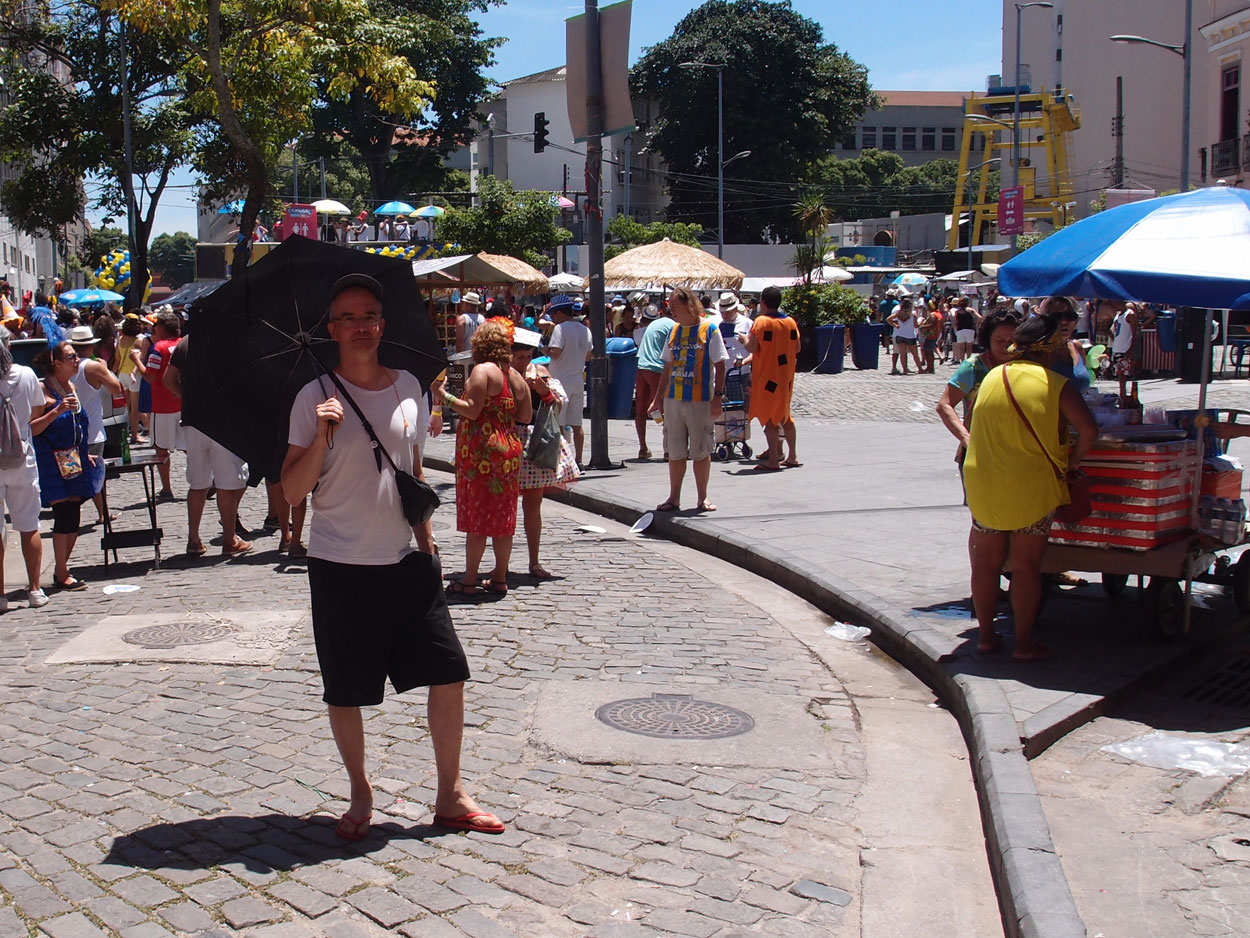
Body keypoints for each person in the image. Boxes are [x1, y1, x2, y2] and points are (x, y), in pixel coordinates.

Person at [282, 272, 503, 840]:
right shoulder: (313, 397)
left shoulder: (410, 385)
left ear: (383, 324)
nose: (360, 327)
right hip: (340, 564)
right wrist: (325, 434)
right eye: (348, 318)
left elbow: (414, 471)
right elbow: (291, 490)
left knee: (449, 672)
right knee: (346, 687)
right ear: (331, 329)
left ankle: (450, 794)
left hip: (407, 560)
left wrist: (429, 545)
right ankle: (359, 790)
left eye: (369, 316)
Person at [962, 314, 1097, 661]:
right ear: (1050, 349)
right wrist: (1074, 462)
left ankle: (986, 639)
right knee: (1025, 568)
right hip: (1030, 486)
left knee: (985, 566)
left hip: (984, 483)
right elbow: (1089, 431)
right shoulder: (1056, 384)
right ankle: (1023, 645)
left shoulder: (992, 377)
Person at [440, 319, 532, 595]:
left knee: (478, 517)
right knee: (504, 517)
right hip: (509, 450)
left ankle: (469, 580)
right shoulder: (515, 376)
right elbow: (525, 417)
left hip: (482, 451)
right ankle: (500, 578)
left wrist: (442, 395)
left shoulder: (482, 371)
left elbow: (471, 410)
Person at [163, 334, 253, 557]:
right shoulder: (229, 341)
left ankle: (194, 540)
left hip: (194, 421)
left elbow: (168, 379)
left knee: (198, 483)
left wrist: (190, 398)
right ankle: (229, 540)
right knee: (227, 484)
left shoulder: (185, 343)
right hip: (223, 422)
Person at [31, 342, 106, 592]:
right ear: (57, 363)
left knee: (74, 513)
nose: (77, 360)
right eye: (71, 357)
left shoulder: (71, 386)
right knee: (63, 514)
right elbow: (32, 428)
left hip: (73, 459)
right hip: (51, 461)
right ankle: (62, 572)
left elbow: (79, 427)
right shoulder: (43, 391)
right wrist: (57, 411)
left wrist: (85, 454)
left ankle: (61, 567)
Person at [648, 285, 728, 512]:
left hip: (700, 398)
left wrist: (718, 397)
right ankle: (674, 497)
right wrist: (657, 399)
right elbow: (667, 367)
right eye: (669, 306)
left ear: (688, 305)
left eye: (674, 305)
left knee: (701, 448)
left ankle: (703, 497)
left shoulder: (709, 329)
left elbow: (720, 365)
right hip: (674, 399)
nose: (670, 309)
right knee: (675, 450)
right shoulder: (674, 331)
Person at [511, 328, 578, 579]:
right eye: (519, 357)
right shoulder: (501, 374)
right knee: (505, 505)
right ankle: (502, 562)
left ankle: (534, 561)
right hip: (508, 439)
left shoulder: (540, 372)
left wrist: (543, 391)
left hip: (534, 441)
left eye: (528, 356)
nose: (524, 361)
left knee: (533, 504)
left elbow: (559, 405)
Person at [936, 307, 1020, 473]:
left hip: (1019, 454)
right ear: (988, 339)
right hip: (980, 454)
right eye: (999, 340)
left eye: (1012, 341)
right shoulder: (973, 367)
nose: (1006, 346)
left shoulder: (1026, 366)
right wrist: (966, 438)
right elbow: (944, 405)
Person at [0, 330, 48, 608]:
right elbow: (37, 412)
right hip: (23, 458)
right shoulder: (27, 375)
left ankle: (1, 595)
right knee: (29, 526)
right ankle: (34, 590)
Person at [67, 325, 124, 526]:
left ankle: (75, 514)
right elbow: (117, 389)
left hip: (70, 431)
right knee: (97, 475)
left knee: (72, 474)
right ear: (90, 347)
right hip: (92, 431)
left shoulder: (65, 367)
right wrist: (106, 368)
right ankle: (102, 513)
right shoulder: (93, 367)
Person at [746, 286, 801, 471]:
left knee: (770, 418)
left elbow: (752, 348)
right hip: (785, 376)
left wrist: (743, 341)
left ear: (762, 302)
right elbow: (798, 347)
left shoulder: (760, 322)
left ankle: (773, 460)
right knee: (785, 415)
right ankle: (792, 455)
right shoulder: (790, 322)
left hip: (767, 376)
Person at [131, 309, 182, 498]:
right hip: (183, 404)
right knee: (188, 445)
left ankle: (167, 488)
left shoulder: (159, 348)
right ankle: (206, 480)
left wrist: (136, 360)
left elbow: (150, 377)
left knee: (161, 448)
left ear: (161, 328)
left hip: (161, 405)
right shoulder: (184, 344)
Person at [545, 295, 592, 467]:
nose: (553, 318)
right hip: (578, 380)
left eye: (553, 315)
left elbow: (555, 352)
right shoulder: (585, 329)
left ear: (559, 313)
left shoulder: (560, 329)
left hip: (560, 381)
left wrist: (544, 350)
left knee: (559, 424)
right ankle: (578, 460)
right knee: (577, 424)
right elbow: (588, 355)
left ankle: (562, 460)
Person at [633, 303, 674, 461]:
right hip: (657, 368)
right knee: (665, 409)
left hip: (641, 366)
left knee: (641, 410)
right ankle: (669, 449)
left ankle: (643, 448)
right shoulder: (673, 325)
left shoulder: (654, 325)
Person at [1039, 296, 1091, 392]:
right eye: (1057, 317)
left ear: (1075, 322)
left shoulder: (1077, 347)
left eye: (1070, 316)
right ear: (1045, 320)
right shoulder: (1038, 352)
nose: (1064, 322)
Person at [115, 314, 147, 443]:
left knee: (127, 407)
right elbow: (141, 359)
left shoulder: (121, 339)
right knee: (135, 408)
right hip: (135, 376)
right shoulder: (139, 342)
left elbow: (117, 359)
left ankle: (129, 432)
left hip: (122, 374)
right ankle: (135, 435)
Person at [887, 297, 922, 375]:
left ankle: (905, 370)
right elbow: (916, 326)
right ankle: (920, 369)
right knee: (915, 354)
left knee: (902, 354)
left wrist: (895, 325)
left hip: (900, 335)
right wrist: (921, 322)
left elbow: (888, 319)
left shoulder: (898, 313)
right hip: (910, 335)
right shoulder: (913, 314)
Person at [1110, 301, 1138, 395]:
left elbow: (1135, 332)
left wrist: (1131, 348)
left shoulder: (1129, 314)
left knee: (1123, 373)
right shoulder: (1117, 315)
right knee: (1118, 373)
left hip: (1125, 347)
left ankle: (1123, 394)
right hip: (1117, 347)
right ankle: (1122, 393)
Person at [917, 300, 943, 374]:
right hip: (934, 334)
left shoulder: (933, 315)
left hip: (931, 334)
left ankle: (930, 368)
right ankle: (930, 367)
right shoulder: (937, 313)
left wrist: (923, 326)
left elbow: (932, 324)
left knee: (928, 352)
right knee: (929, 351)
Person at [951, 296, 979, 362]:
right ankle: (968, 360)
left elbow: (955, 322)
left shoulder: (957, 312)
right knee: (969, 346)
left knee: (961, 347)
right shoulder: (971, 310)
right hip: (970, 329)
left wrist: (955, 330)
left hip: (960, 330)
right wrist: (977, 324)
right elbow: (979, 317)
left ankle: (962, 361)